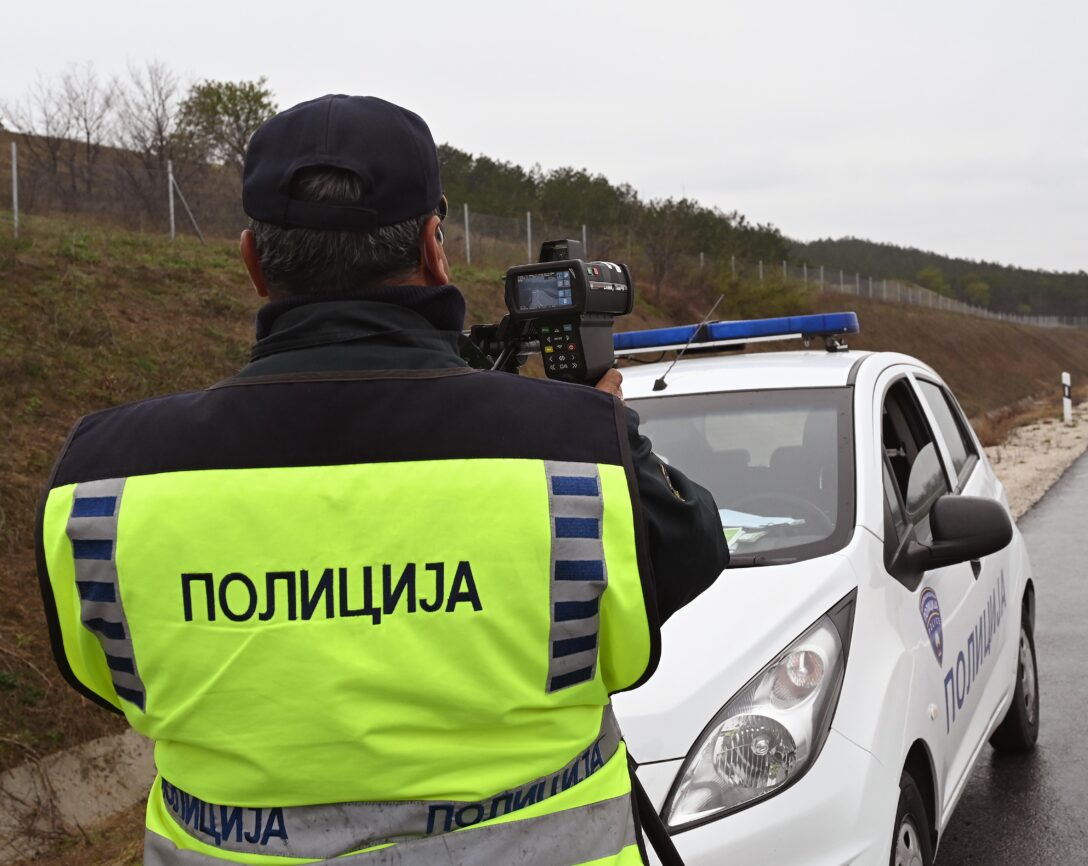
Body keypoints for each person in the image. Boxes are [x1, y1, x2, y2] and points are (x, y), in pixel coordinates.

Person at [35, 94, 728, 865]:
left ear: (253, 262)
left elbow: (108, 679)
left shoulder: (99, 485)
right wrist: (610, 436)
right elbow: (692, 548)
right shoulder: (574, 453)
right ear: (434, 245)